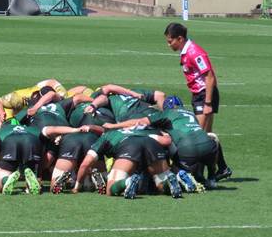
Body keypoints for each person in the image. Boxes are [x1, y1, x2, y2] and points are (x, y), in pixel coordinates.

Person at [164, 22, 232, 181]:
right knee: (206, 135)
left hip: (204, 95)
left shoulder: (194, 52)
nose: (169, 45)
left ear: (180, 39)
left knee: (198, 136)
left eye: (170, 41)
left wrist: (207, 103)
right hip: (199, 95)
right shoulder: (186, 51)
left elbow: (210, 77)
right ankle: (221, 168)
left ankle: (201, 174)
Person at [73, 128, 182, 199]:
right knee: (161, 185)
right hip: (151, 143)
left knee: (110, 189)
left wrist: (77, 187)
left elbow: (85, 164)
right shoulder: (143, 131)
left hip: (129, 146)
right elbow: (167, 142)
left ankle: (127, 182)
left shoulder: (106, 136)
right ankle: (171, 181)